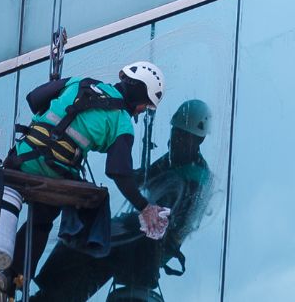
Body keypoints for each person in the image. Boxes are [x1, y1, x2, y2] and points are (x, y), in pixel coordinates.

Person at [0, 62, 169, 302]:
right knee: (41, 222)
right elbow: (119, 171)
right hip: (55, 172)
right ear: (139, 95)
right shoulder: (122, 122)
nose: (140, 111)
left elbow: (34, 98)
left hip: (21, 159)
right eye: (144, 105)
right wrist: (145, 207)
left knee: (3, 206)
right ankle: (12, 278)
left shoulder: (79, 82)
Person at [30, 100, 215, 302]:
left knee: (89, 238)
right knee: (88, 244)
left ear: (199, 141)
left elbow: (171, 218)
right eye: (175, 133)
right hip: (144, 234)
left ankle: (51, 295)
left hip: (151, 241)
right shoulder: (176, 161)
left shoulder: (196, 177)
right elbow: (145, 176)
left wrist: (134, 216)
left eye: (183, 136)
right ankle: (53, 295)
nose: (176, 140)